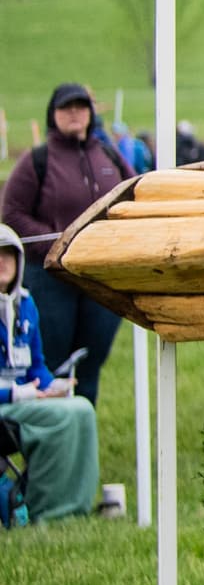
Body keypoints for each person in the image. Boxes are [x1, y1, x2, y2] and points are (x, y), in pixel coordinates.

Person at [0, 85, 129, 407]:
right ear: (52, 114)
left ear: (91, 113)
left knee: (90, 365)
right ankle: (45, 441)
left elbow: (137, 193)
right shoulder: (37, 161)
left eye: (81, 106)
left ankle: (81, 436)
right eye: (66, 107)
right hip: (51, 278)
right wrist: (58, 245)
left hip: (101, 276)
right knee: (52, 363)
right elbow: (11, 213)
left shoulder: (109, 155)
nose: (74, 112)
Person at [1, 223, 101, 523]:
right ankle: (46, 509)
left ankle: (75, 506)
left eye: (9, 255)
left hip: (23, 400)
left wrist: (53, 385)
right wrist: (19, 393)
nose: (3, 262)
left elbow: (36, 365)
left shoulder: (27, 304)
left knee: (80, 409)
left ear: (19, 262)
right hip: (10, 402)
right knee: (58, 418)